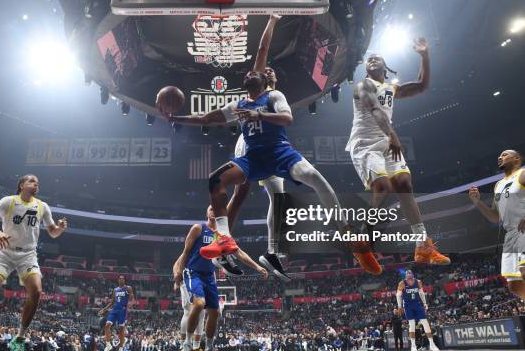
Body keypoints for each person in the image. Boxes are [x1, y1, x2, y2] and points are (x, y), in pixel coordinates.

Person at [166, 21, 381, 275]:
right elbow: (206, 118)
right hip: (252, 153)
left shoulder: (273, 96)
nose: (253, 73)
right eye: (252, 73)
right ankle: (226, 239)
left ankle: (342, 233)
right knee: (226, 186)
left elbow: (286, 114)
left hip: (278, 150)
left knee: (301, 184)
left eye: (260, 73)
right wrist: (174, 118)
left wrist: (272, 19)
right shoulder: (241, 102)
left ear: (263, 79)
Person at [345, 39, 450, 265]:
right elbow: (375, 110)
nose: (371, 59)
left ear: (386, 65)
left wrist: (425, 55)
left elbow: (422, 85)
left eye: (377, 57)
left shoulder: (391, 88)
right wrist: (392, 135)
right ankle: (364, 239)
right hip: (365, 143)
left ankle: (422, 245)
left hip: (386, 139)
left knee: (404, 184)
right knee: (383, 187)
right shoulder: (364, 85)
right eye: (368, 59)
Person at [212, 15, 289, 282]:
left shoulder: (277, 98)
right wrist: (272, 20)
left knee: (280, 198)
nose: (268, 71)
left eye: (271, 72)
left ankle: (272, 250)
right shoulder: (255, 91)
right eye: (265, 70)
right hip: (249, 143)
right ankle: (223, 245)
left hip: (272, 148)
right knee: (241, 194)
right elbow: (262, 50)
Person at [0, 175, 68, 351]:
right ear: (21, 185)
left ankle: (18, 340)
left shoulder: (43, 206)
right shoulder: (8, 201)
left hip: (28, 255)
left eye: (37, 183)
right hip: (5, 252)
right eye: (32, 181)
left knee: (36, 292)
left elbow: (52, 232)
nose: (36, 184)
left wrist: (60, 228)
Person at [173, 206, 268, 351]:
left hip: (209, 275)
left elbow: (239, 253)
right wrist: (178, 271)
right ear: (206, 212)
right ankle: (186, 346)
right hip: (193, 272)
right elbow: (185, 252)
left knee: (215, 312)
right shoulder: (198, 228)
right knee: (198, 304)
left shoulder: (222, 235)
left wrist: (257, 267)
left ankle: (209, 349)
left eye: (216, 210)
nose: (213, 211)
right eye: (211, 209)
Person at [469, 149, 525, 298]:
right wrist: (477, 202)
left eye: (505, 154)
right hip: (511, 235)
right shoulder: (498, 185)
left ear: (517, 159)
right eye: (499, 156)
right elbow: (495, 217)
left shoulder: (522, 174)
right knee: (514, 286)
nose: (500, 157)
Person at [396, 270, 439, 351]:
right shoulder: (402, 283)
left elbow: (421, 293)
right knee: (411, 324)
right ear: (405, 276)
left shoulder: (418, 282)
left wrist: (425, 303)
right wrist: (399, 306)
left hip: (417, 304)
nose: (409, 276)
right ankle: (413, 346)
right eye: (407, 275)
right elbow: (398, 295)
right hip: (408, 305)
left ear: (412, 275)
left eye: (410, 274)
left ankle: (432, 344)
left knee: (425, 323)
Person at [98, 275, 135, 351]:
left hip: (122, 310)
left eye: (122, 278)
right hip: (114, 309)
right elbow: (112, 302)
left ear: (124, 280)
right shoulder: (115, 290)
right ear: (118, 280)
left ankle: (121, 349)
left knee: (121, 329)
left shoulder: (128, 288)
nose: (121, 279)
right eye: (120, 278)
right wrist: (104, 309)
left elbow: (132, 299)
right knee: (107, 325)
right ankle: (108, 345)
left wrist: (129, 305)